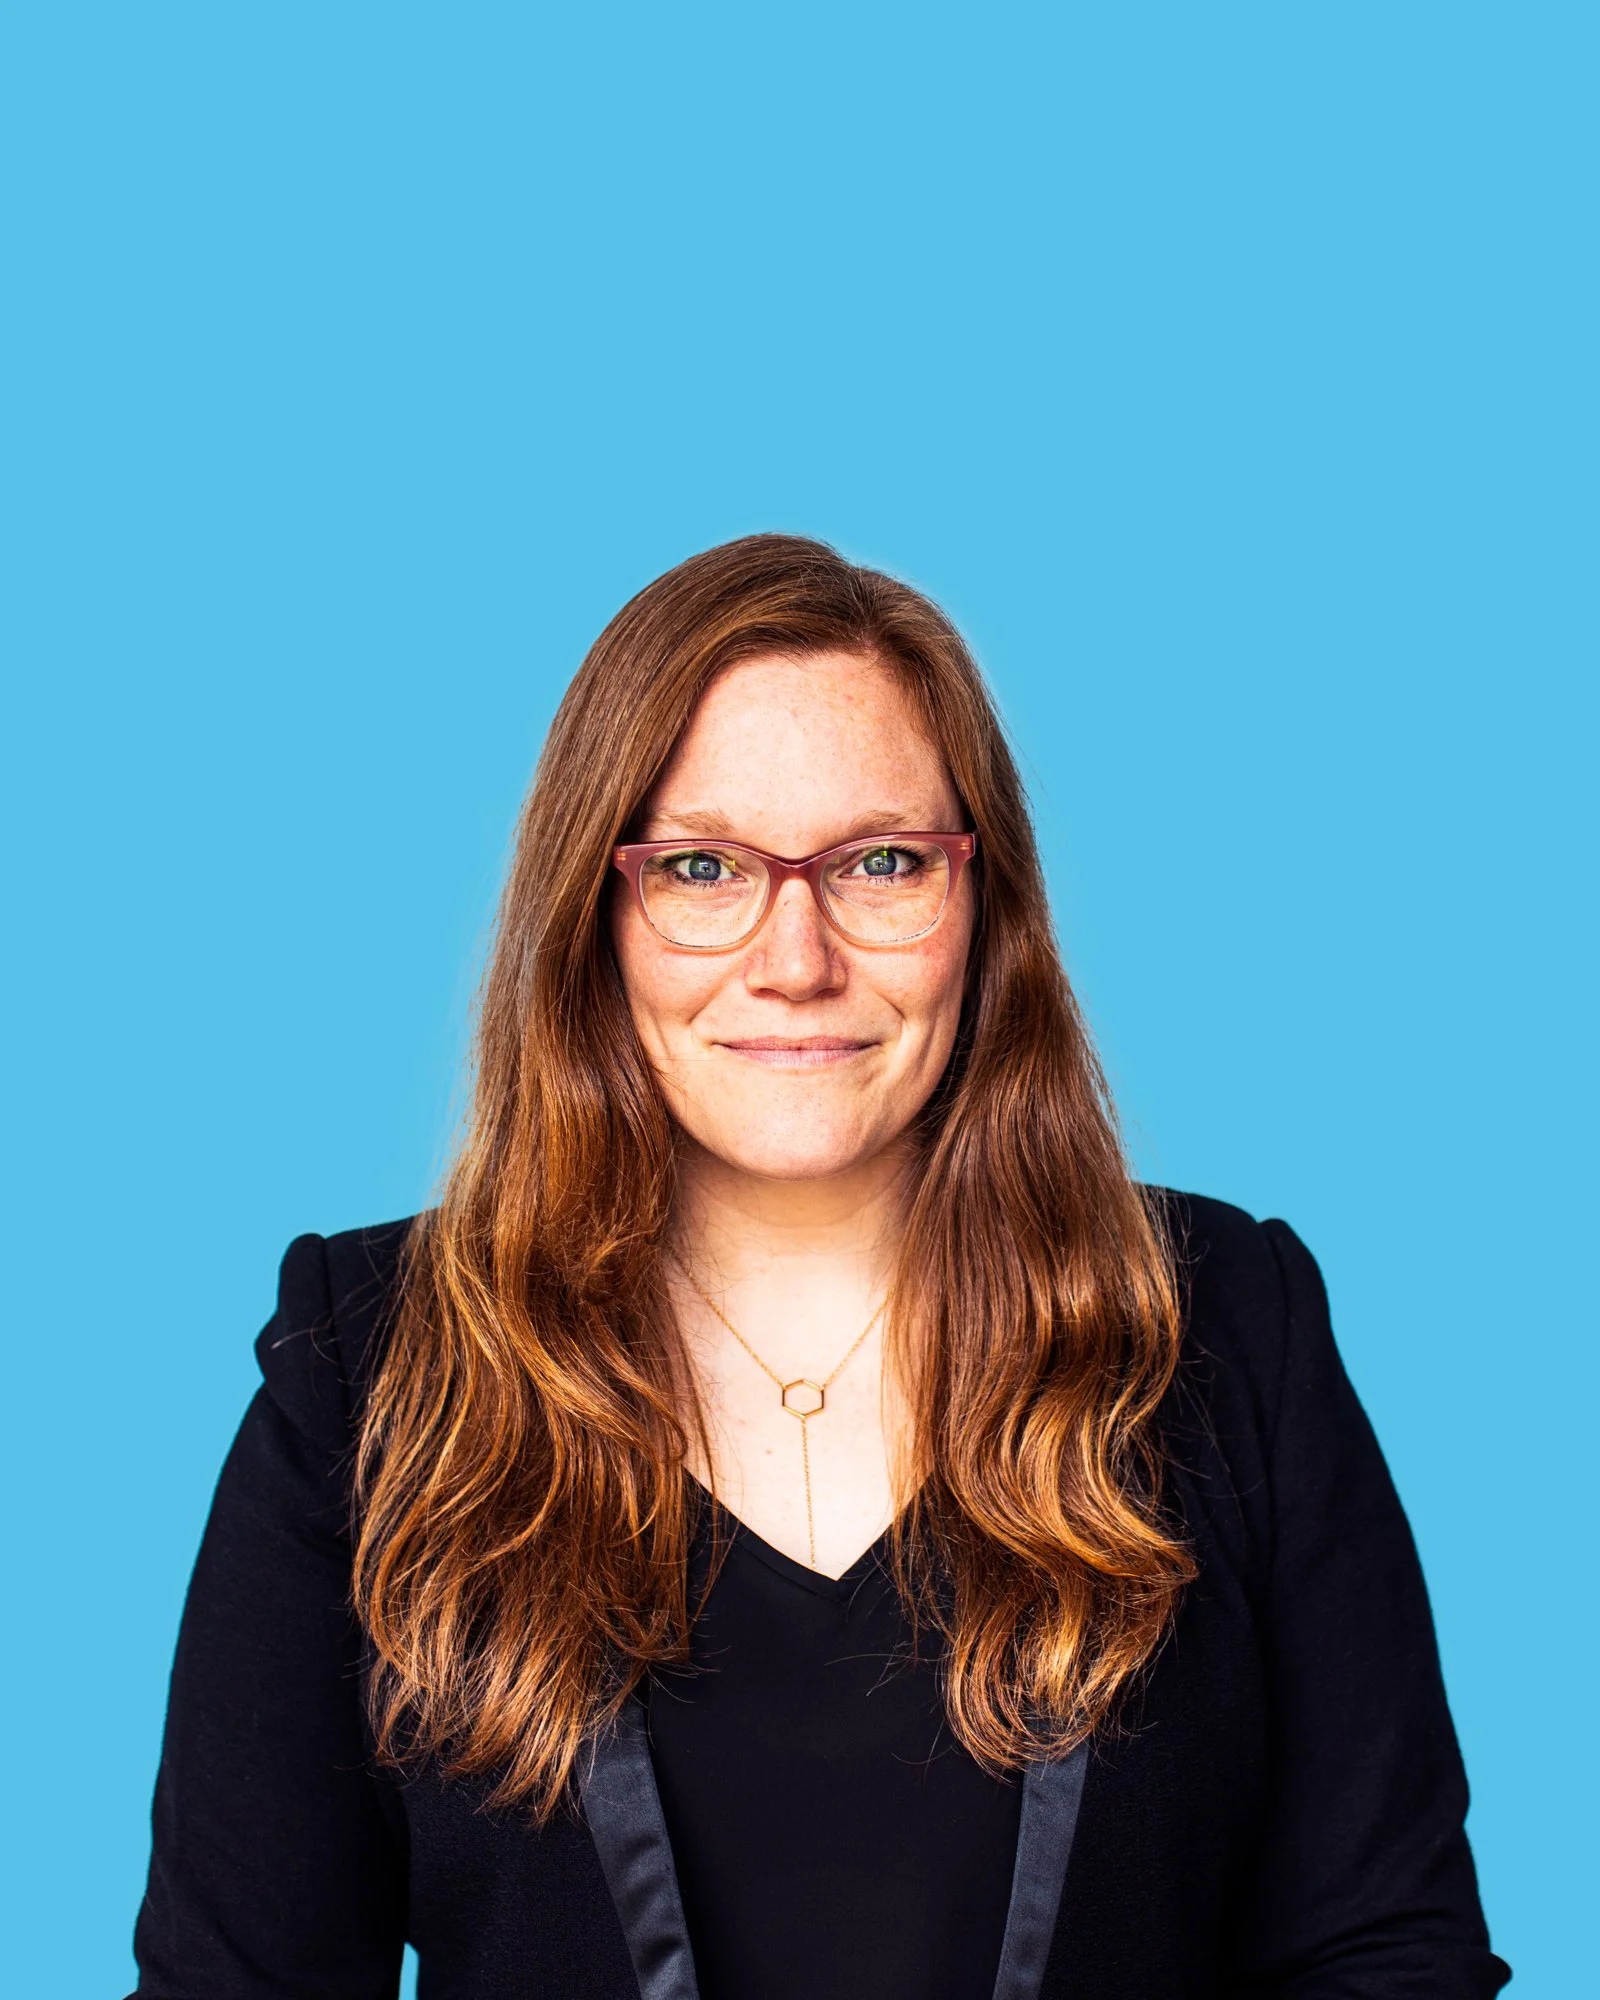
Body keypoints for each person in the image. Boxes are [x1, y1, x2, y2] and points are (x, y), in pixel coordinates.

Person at [128, 535, 1509, 2000]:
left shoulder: (1223, 1327)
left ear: (988, 910)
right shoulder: (370, 1373)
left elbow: (1383, 1958)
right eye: (704, 868)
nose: (796, 958)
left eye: (884, 863)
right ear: (594, 915)